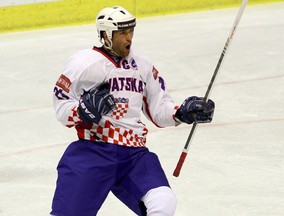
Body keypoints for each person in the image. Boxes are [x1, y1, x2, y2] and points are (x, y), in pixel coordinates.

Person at [51, 5, 215, 216]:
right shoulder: (83, 63)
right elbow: (61, 104)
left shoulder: (142, 64)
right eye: (122, 33)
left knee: (163, 203)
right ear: (106, 35)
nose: (129, 38)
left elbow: (158, 107)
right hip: (94, 151)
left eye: (131, 32)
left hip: (134, 155)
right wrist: (82, 111)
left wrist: (181, 112)